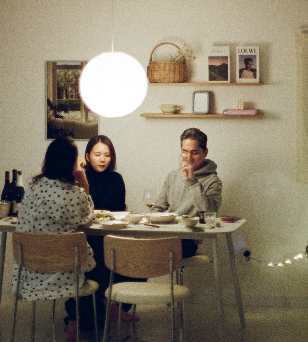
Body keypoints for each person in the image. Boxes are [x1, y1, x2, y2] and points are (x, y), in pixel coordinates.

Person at [12, 136, 96, 342]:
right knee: (96, 264)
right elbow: (88, 218)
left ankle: (79, 323)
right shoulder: (75, 195)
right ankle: (90, 323)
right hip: (64, 275)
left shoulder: (33, 187)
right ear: (71, 164)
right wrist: (85, 185)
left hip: (29, 274)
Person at [81, 135, 140, 328]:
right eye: (97, 154)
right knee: (96, 251)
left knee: (137, 253)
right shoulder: (81, 178)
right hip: (86, 236)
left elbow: (119, 211)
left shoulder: (116, 179)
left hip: (111, 234)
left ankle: (116, 306)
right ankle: (105, 306)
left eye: (107, 155)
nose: (102, 159)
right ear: (87, 156)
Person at [152, 128, 222, 257]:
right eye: (184, 152)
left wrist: (192, 181)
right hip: (164, 234)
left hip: (188, 240)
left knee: (147, 251)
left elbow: (209, 211)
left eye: (194, 153)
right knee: (132, 245)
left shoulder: (213, 181)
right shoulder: (173, 176)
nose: (188, 158)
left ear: (205, 153)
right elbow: (158, 208)